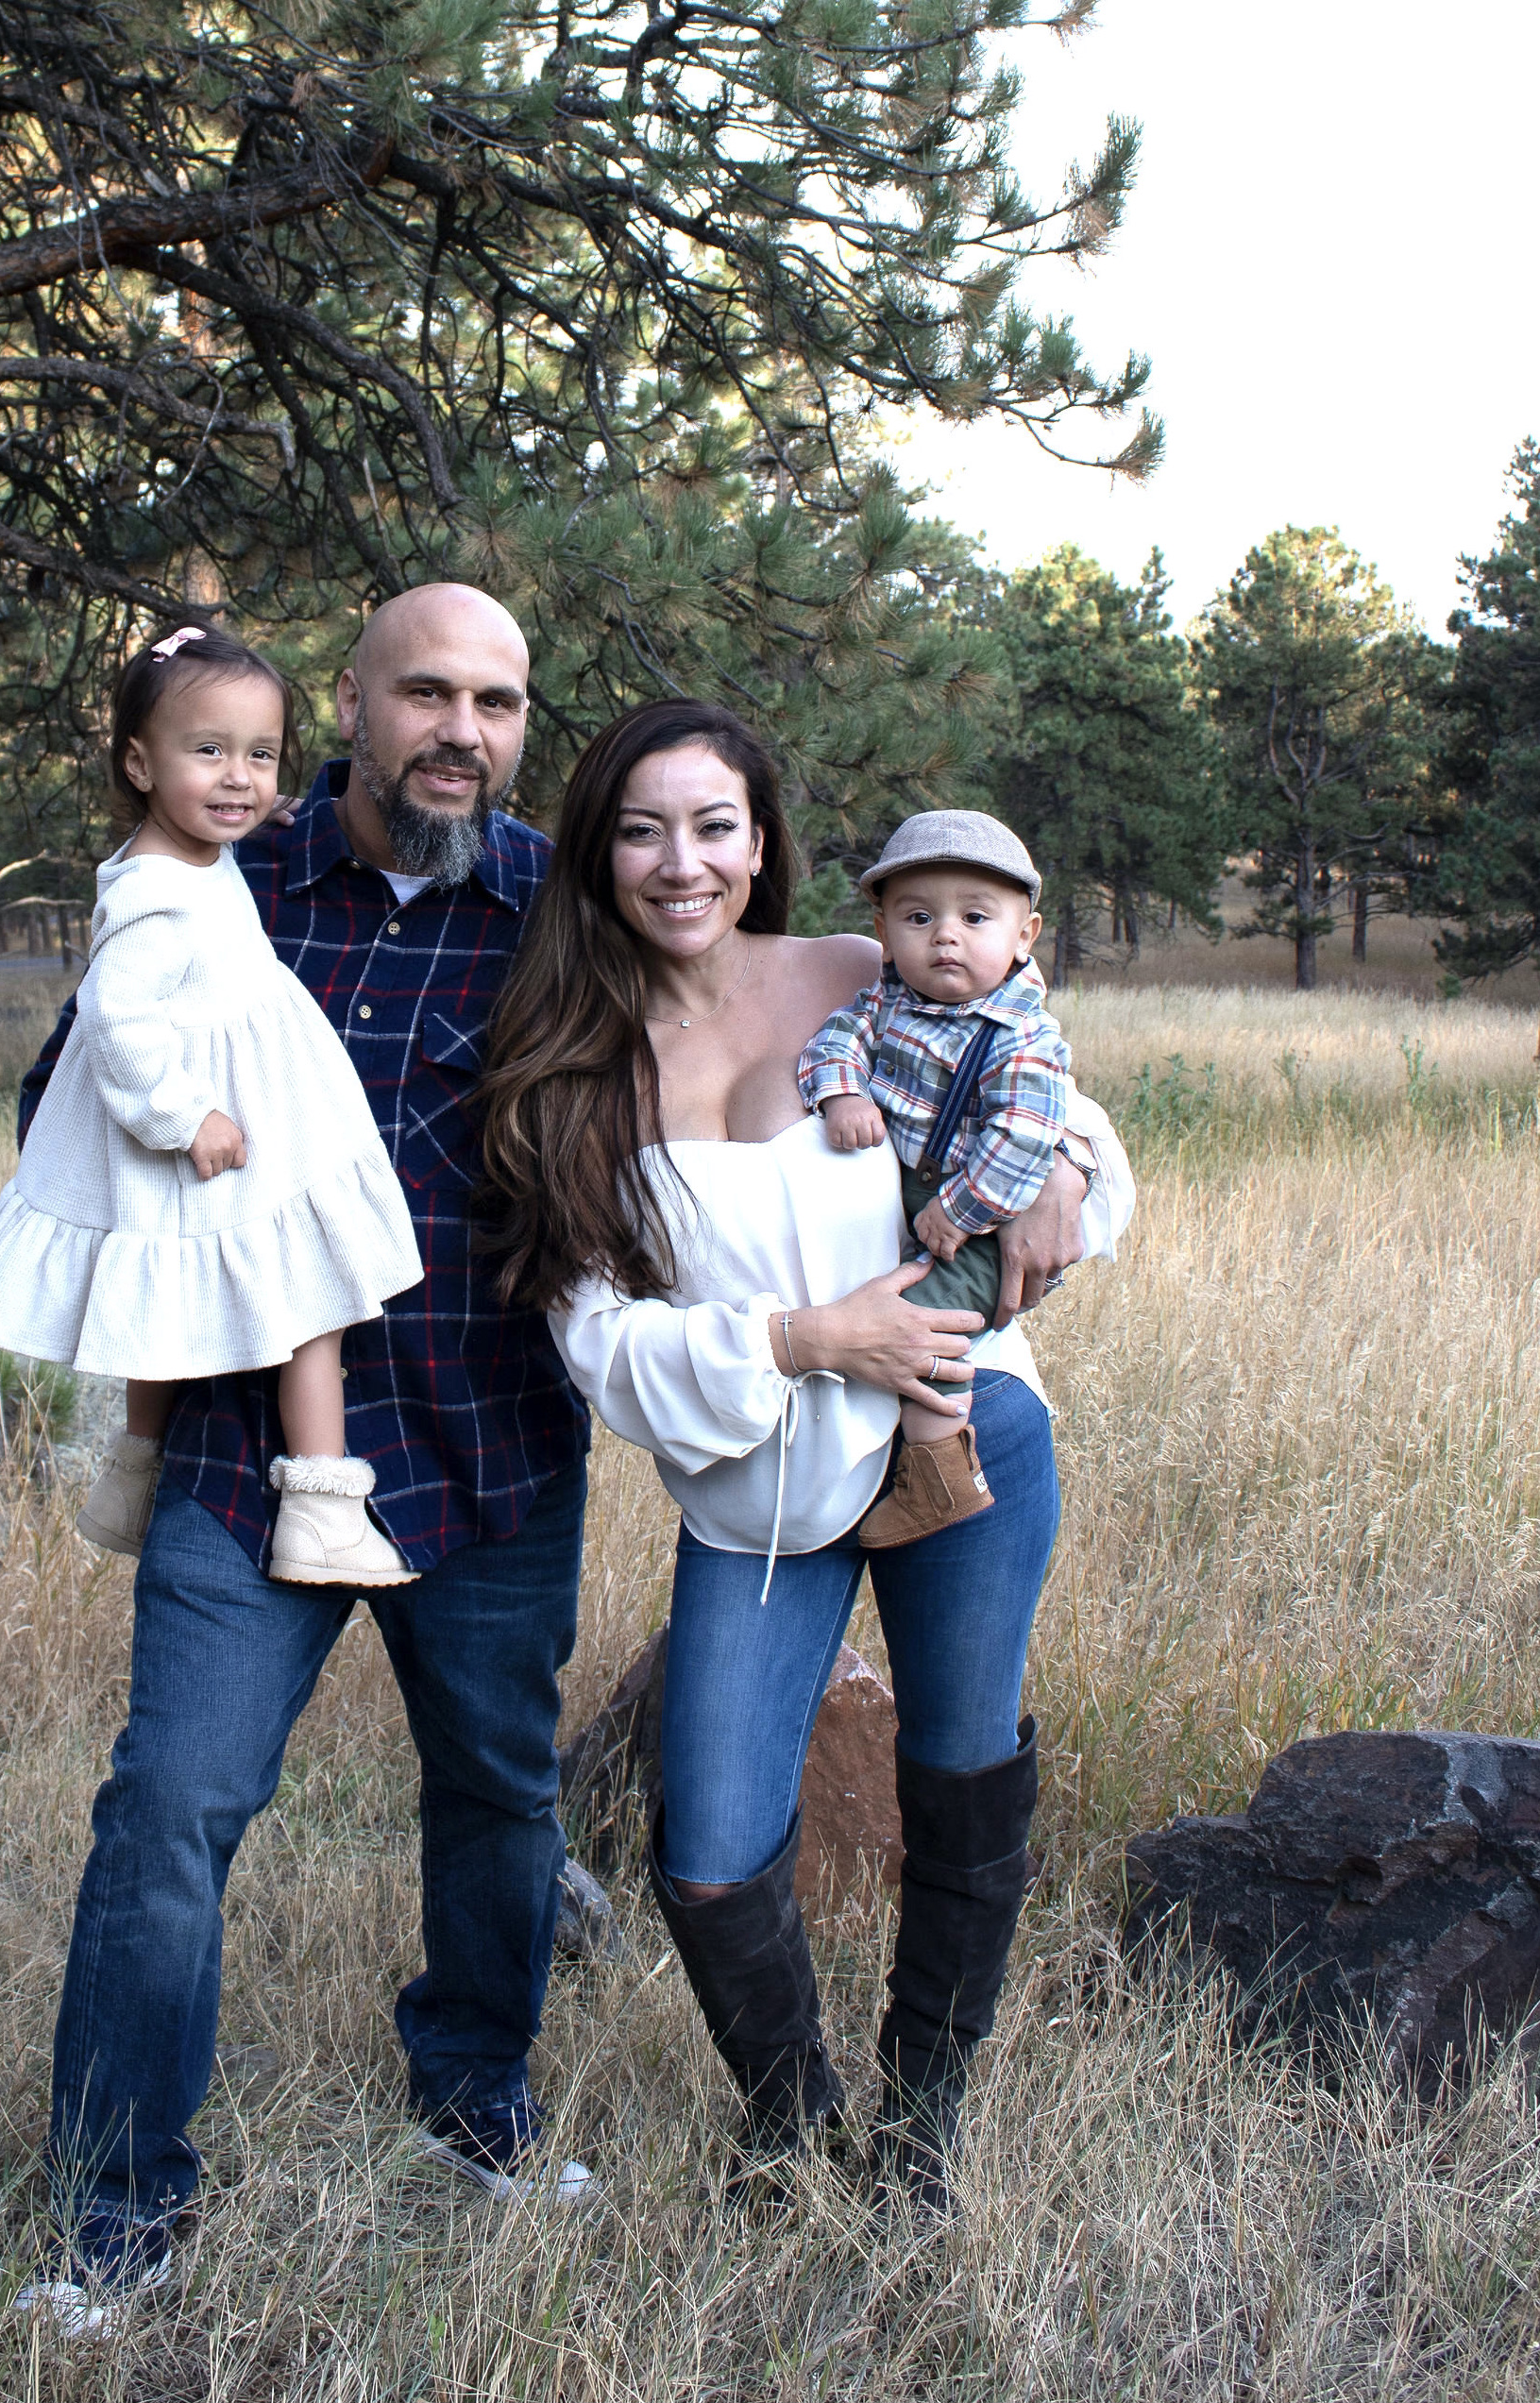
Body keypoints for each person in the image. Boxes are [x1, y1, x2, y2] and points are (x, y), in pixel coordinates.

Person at [10, 586, 592, 2339]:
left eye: (496, 700)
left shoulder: (565, 901)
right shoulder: (222, 873)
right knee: (170, 1810)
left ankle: (474, 2106)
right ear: (353, 700)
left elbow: (763, 1010)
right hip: (250, 1446)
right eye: (427, 690)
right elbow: (71, 1089)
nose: (460, 730)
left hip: (491, 1439)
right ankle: (117, 2216)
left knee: (499, 1796)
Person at [479, 699, 1133, 2213]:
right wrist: (805, 1341)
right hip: (757, 1496)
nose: (680, 860)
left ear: (760, 841)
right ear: (598, 854)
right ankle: (794, 2120)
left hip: (964, 1433)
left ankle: (922, 2129)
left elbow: (1054, 1099)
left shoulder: (863, 969)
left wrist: (1076, 1172)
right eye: (641, 828)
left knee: (960, 1770)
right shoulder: (572, 1060)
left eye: (713, 824)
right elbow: (600, 1346)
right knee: (706, 1852)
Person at [0, 624, 422, 1585]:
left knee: (162, 1302)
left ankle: (135, 1474)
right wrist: (181, 1116)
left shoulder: (189, 857)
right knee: (310, 1301)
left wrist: (248, 805)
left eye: (258, 755)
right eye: (206, 752)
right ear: (137, 760)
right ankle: (320, 1505)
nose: (238, 778)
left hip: (226, 1115)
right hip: (218, 1132)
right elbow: (117, 1022)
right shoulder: (157, 898)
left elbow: (219, 828)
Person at [796, 811, 1071, 1549]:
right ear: (883, 929)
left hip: (977, 1221)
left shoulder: (1022, 1035)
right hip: (919, 1206)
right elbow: (835, 1039)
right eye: (920, 916)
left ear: (1025, 935)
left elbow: (1023, 1138)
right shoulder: (888, 1001)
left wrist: (958, 1209)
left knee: (919, 1329)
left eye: (975, 917)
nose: (945, 934)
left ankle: (939, 1469)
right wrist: (842, 1092)